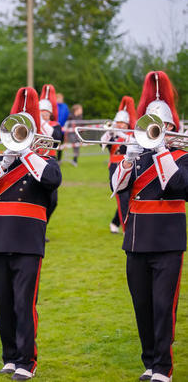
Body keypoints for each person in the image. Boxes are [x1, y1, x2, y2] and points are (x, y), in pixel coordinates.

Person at [0, 87, 62, 380]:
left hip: (27, 241)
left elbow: (51, 181)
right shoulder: (0, 160)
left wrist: (27, 154)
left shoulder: (45, 161)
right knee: (2, 302)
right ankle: (9, 356)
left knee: (24, 303)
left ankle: (27, 360)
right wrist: (5, 162)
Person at [111, 71, 186, 382]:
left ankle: (163, 367)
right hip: (137, 239)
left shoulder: (181, 155)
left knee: (163, 306)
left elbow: (180, 185)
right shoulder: (137, 155)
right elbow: (116, 187)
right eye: (149, 123)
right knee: (142, 304)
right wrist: (128, 159)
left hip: (168, 239)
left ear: (170, 126)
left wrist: (161, 150)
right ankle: (149, 361)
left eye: (161, 125)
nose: (155, 129)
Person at [104, 96, 136, 234]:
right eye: (119, 122)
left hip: (130, 165)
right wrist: (110, 131)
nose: (121, 125)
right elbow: (103, 144)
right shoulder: (112, 135)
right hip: (115, 167)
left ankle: (115, 222)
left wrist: (121, 133)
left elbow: (132, 143)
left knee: (129, 196)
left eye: (124, 123)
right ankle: (126, 228)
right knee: (122, 197)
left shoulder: (132, 134)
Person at [39, 84, 64, 230]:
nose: (44, 114)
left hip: (49, 162)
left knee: (53, 201)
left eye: (46, 112)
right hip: (34, 161)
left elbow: (56, 138)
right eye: (41, 111)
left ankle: (43, 225)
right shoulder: (33, 125)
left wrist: (41, 121)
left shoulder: (55, 125)